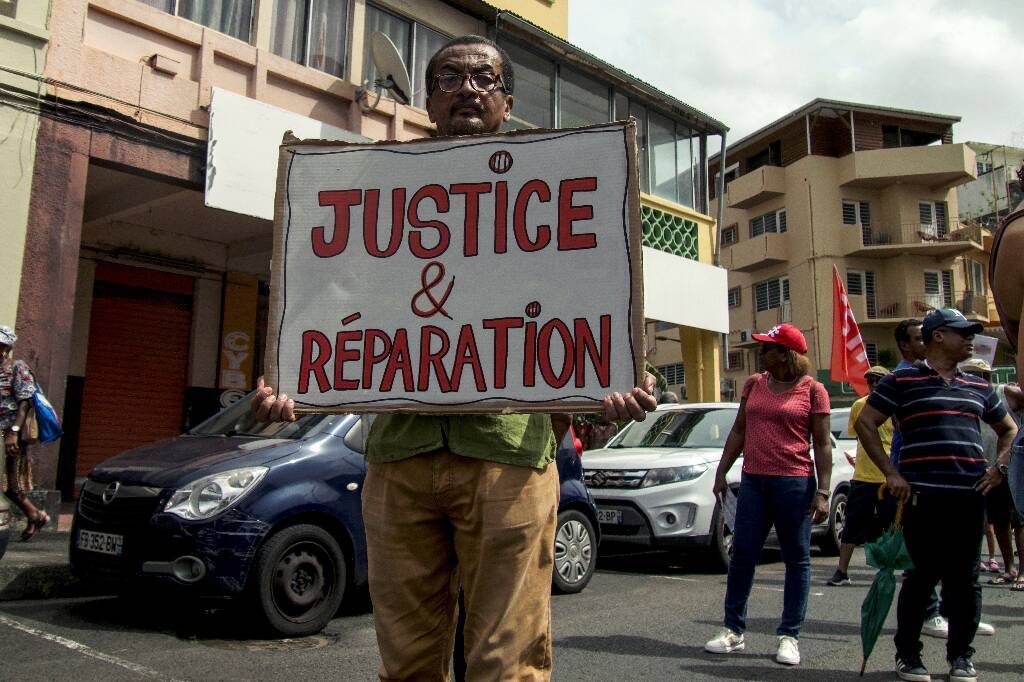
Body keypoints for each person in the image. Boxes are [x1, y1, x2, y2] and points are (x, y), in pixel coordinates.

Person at [253, 35, 657, 681]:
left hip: (508, 456)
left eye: (483, 78)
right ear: (428, 100)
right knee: (407, 661)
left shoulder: (553, 191)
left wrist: (621, 376)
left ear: (507, 102)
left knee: (507, 659)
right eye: (449, 77)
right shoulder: (378, 190)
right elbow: (329, 305)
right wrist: (291, 379)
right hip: (399, 457)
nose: (467, 88)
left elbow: (592, 307)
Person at [855, 308, 1017, 682]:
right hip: (922, 499)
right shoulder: (902, 380)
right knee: (920, 579)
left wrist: (1000, 467)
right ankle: (908, 655)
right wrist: (891, 472)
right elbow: (866, 423)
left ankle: (961, 656)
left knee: (966, 583)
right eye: (963, 332)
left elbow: (1009, 429)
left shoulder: (978, 386)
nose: (970, 338)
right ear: (938, 336)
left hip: (968, 498)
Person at [704, 323, 832, 667]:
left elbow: (822, 444)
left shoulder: (814, 390)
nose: (761, 353)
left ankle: (789, 635)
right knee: (743, 553)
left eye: (768, 348)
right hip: (754, 482)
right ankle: (733, 630)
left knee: (797, 559)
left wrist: (823, 491)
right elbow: (739, 430)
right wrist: (721, 471)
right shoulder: (753, 384)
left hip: (794, 483)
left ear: (787, 355)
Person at [826, 365, 892, 587]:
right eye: (870, 381)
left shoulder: (895, 406)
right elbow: (857, 435)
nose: (874, 384)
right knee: (852, 524)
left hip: (889, 476)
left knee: (891, 526)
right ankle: (842, 571)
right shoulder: (859, 406)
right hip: (864, 475)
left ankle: (888, 569)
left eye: (878, 380)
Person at [0, 325, 49, 541]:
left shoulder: (17, 367)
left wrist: (14, 432)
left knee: (11, 483)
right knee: (7, 484)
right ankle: (34, 515)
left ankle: (35, 515)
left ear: (6, 348)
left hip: (11, 433)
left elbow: (25, 403)